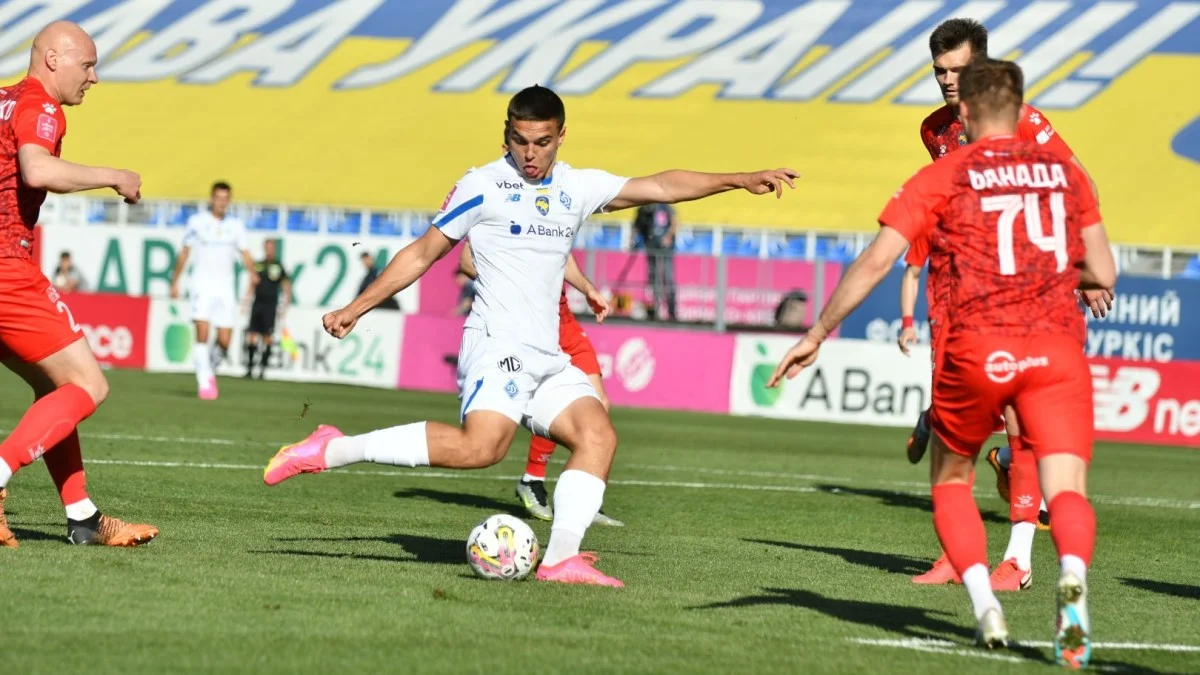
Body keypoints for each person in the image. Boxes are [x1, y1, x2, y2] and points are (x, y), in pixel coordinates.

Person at [263, 84, 797, 587]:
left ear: (561, 136)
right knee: (482, 448)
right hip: (498, 343)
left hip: (547, 353)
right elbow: (424, 252)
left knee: (598, 436)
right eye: (520, 140)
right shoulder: (482, 185)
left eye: (542, 142)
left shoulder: (576, 187)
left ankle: (561, 558)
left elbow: (659, 186)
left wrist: (739, 178)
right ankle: (334, 447)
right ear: (507, 135)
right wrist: (358, 307)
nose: (530, 153)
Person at [769, 59, 1114, 666]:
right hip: (1054, 345)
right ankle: (1072, 587)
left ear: (967, 113)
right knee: (1066, 487)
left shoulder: (943, 173)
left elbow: (877, 261)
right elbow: (1102, 271)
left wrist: (819, 331)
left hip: (977, 345)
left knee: (952, 480)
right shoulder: (1065, 174)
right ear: (1020, 109)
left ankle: (985, 606)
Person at [898, 18, 1111, 589]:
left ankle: (1018, 559)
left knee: (1023, 422)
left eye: (958, 70)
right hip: (962, 296)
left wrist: (1087, 271)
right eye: (939, 71)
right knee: (958, 421)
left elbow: (1081, 185)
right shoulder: (935, 130)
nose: (947, 80)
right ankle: (956, 552)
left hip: (1027, 295)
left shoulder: (1027, 123)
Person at [0, 20, 157, 548]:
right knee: (90, 386)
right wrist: (115, 175)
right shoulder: (39, 106)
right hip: (6, 266)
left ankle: (83, 517)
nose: (94, 77)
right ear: (53, 59)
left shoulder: (2, 101)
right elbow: (38, 171)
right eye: (87, 65)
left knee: (56, 389)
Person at [456, 240, 623, 527]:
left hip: (563, 320)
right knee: (555, 403)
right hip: (533, 322)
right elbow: (467, 262)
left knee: (599, 403)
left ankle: (585, 501)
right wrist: (516, 282)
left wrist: (587, 289)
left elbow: (562, 255)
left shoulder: (557, 216)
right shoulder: (503, 215)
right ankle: (532, 480)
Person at [169, 181, 258, 400]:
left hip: (225, 288)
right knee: (202, 331)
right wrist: (175, 281)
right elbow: (185, 252)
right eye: (218, 198)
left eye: (225, 199)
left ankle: (208, 368)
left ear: (229, 201)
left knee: (225, 341)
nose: (221, 202)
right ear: (211, 199)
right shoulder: (197, 222)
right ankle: (204, 381)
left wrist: (253, 273)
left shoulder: (236, 226)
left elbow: (245, 252)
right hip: (201, 285)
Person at [244, 238, 290, 379]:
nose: (269, 250)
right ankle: (250, 369)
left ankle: (262, 370)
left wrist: (285, 305)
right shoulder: (258, 265)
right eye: (267, 247)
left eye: (271, 247)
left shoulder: (278, 266)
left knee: (267, 337)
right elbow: (252, 284)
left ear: (274, 249)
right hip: (257, 303)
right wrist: (246, 301)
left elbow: (286, 286)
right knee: (252, 335)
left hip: (270, 305)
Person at [633, 202, 678, 321]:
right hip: (651, 247)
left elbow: (674, 222)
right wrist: (634, 239)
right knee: (654, 278)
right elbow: (638, 225)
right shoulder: (646, 207)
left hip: (666, 249)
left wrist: (668, 237)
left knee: (668, 278)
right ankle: (657, 310)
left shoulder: (665, 205)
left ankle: (672, 312)